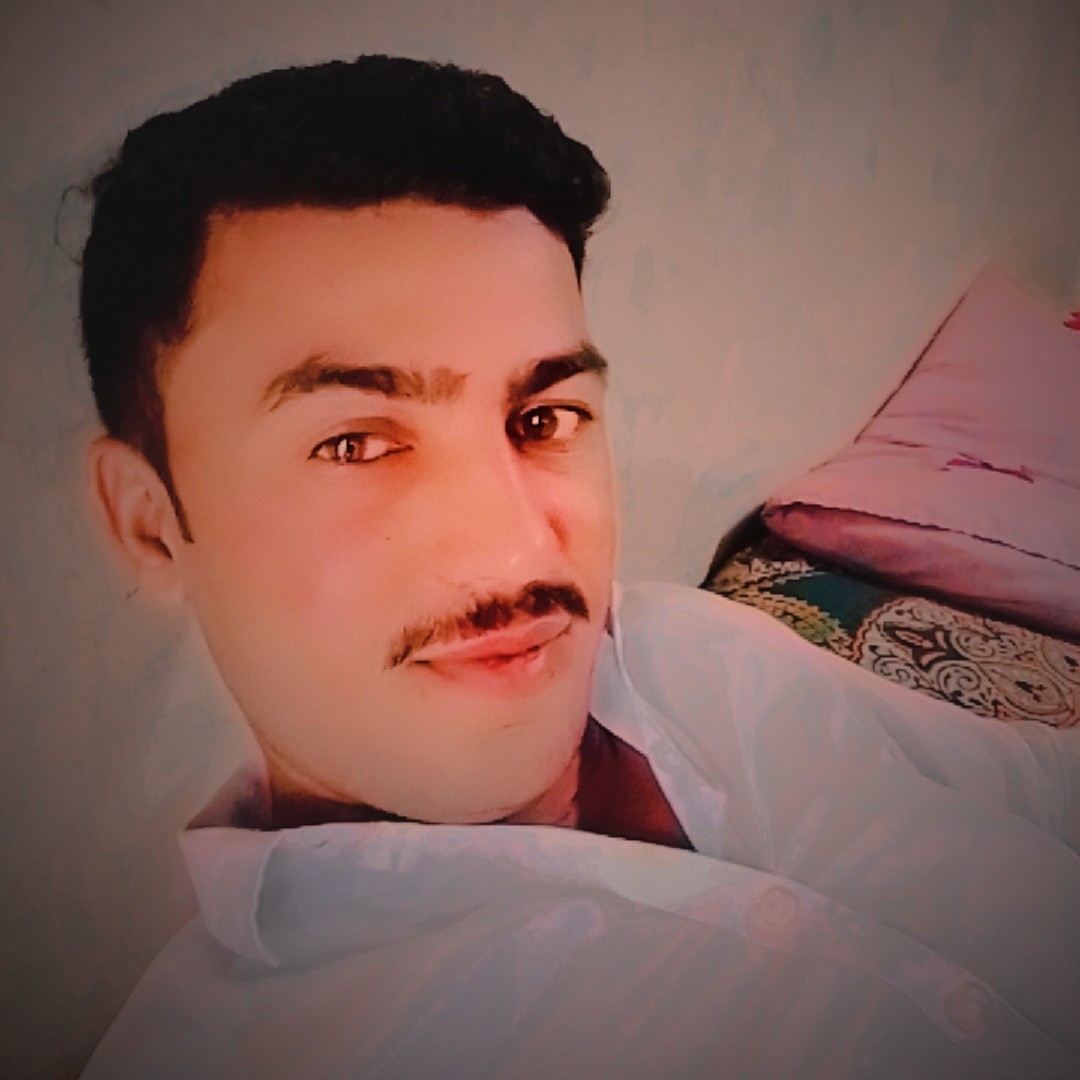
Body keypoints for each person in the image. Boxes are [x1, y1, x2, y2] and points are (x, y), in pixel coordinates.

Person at [80, 55, 1080, 1079]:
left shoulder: (681, 646)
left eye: (543, 419)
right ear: (153, 527)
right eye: (355, 444)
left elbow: (1033, 791)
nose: (515, 548)